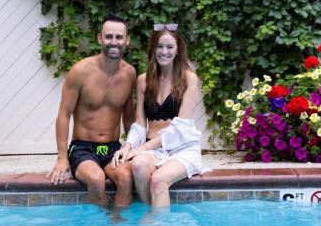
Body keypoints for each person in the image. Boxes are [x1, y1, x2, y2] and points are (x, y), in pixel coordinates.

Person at [111, 23, 205, 209]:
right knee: (138, 165)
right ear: (153, 49)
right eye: (159, 46)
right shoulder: (143, 81)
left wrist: (142, 148)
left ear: (178, 49)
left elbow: (180, 128)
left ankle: (159, 225)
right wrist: (128, 146)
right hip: (154, 151)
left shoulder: (189, 79)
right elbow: (139, 124)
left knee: (158, 180)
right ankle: (152, 216)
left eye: (170, 47)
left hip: (182, 149)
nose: (164, 52)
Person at [48, 15, 136, 208]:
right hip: (83, 148)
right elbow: (64, 114)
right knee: (96, 179)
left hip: (113, 148)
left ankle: (119, 223)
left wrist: (133, 149)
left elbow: (129, 118)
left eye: (119, 37)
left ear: (127, 40)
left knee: (126, 178)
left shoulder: (129, 74)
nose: (114, 42)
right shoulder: (80, 71)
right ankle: (99, 225)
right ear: (99, 38)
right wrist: (62, 158)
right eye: (109, 36)